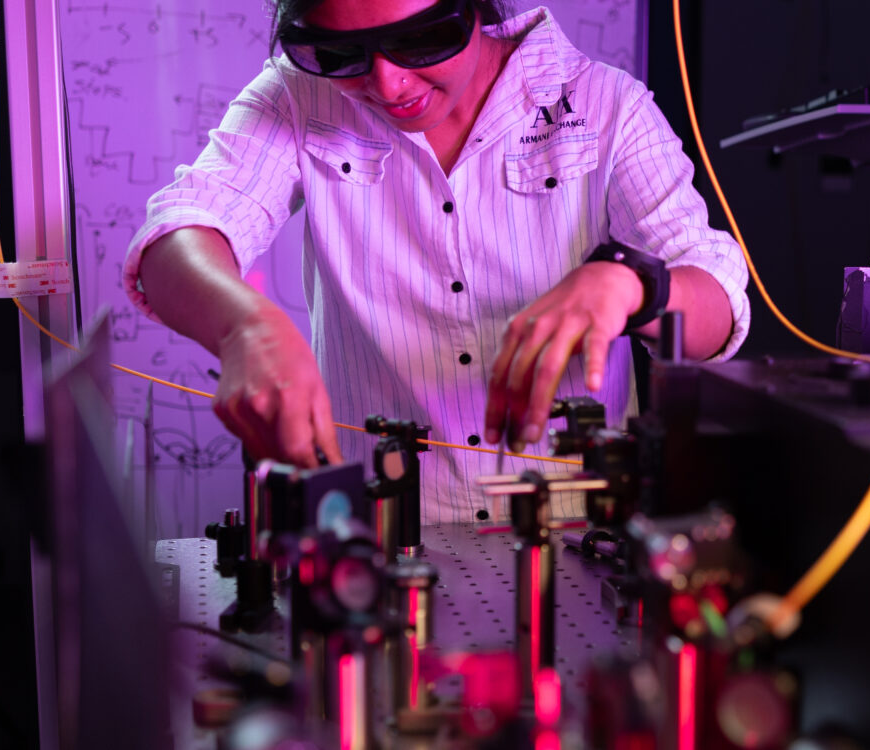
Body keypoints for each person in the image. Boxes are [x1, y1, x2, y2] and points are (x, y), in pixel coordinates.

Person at [122, 0, 750, 522]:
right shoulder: (298, 98)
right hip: (380, 533)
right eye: (340, 54)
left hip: (580, 533)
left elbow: (716, 312)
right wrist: (244, 328)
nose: (389, 84)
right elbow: (179, 232)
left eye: (422, 41)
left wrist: (629, 283)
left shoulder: (608, 107)